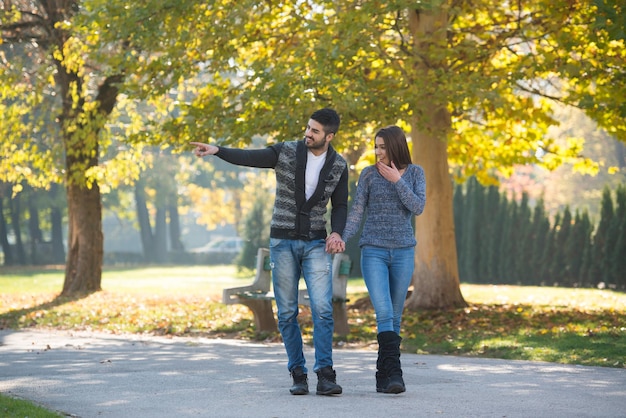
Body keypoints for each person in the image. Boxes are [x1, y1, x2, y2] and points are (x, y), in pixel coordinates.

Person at [191, 108, 348, 396]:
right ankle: (297, 372)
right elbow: (250, 157)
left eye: (315, 131)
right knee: (287, 312)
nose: (308, 133)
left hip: (316, 242)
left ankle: (325, 374)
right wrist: (217, 150)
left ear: (329, 136)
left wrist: (336, 232)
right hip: (283, 243)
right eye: (308, 127)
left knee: (323, 310)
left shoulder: (338, 165)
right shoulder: (285, 152)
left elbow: (340, 206)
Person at [328, 125, 426, 394]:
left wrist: (397, 180)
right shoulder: (368, 175)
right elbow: (357, 212)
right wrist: (342, 237)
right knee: (383, 312)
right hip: (374, 250)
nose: (377, 151)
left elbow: (418, 207)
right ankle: (395, 374)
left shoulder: (416, 173)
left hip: (404, 250)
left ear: (395, 147)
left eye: (382, 147)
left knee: (395, 316)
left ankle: (384, 376)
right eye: (376, 146)